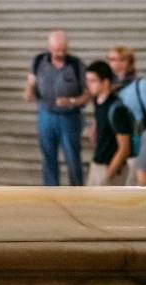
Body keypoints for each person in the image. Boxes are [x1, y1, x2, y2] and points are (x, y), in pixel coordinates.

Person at [24, 29, 88, 186]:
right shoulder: (39, 61)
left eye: (64, 49)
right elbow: (30, 82)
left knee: (72, 157)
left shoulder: (76, 64)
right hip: (45, 115)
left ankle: (76, 192)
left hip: (70, 118)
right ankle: (52, 192)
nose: (61, 53)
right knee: (48, 156)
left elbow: (88, 94)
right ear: (49, 48)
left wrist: (72, 101)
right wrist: (28, 91)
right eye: (57, 50)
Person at [107, 44, 146, 160]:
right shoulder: (108, 86)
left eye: (121, 59)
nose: (116, 63)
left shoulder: (141, 84)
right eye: (112, 60)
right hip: (116, 137)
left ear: (129, 62)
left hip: (137, 135)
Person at [85, 62, 134, 187]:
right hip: (97, 163)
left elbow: (124, 148)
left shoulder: (117, 109)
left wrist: (109, 174)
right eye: (87, 80)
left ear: (105, 82)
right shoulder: (97, 101)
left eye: (93, 81)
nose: (88, 85)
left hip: (111, 168)